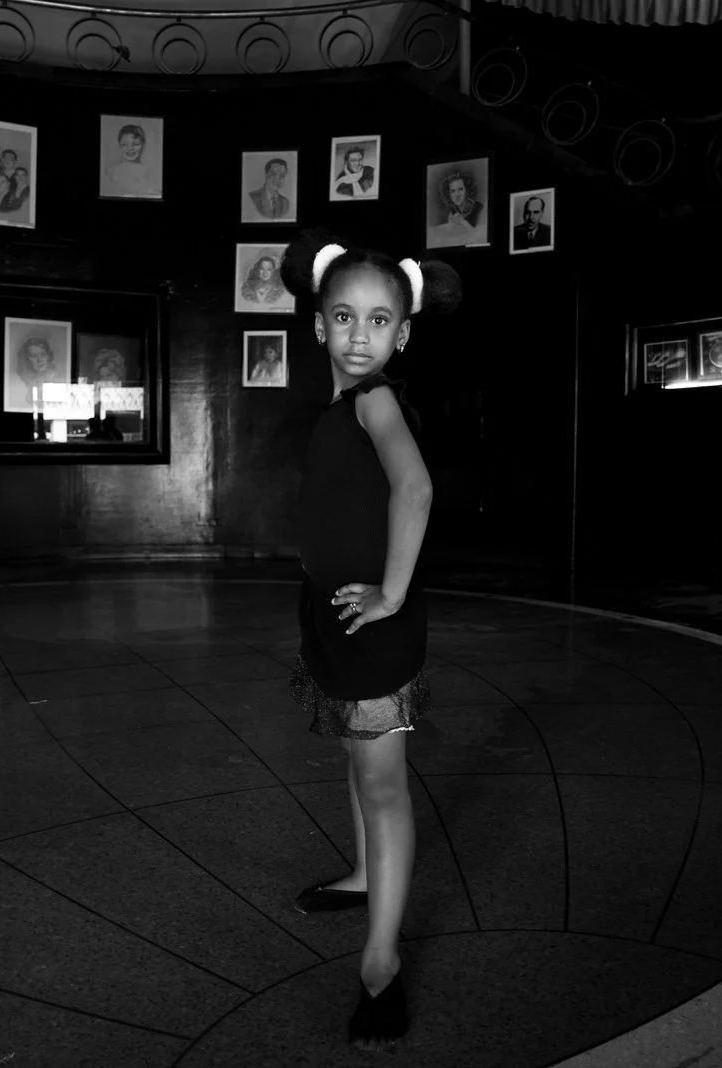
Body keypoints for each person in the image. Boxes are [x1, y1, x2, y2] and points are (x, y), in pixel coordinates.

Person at [278, 227, 462, 1050]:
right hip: (336, 615)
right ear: (318, 324)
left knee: (383, 783)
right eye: (345, 317)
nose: (361, 335)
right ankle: (361, 876)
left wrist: (390, 591)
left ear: (403, 332)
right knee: (357, 757)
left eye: (379, 320)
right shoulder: (337, 406)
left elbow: (414, 487)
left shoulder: (376, 398)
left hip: (370, 622)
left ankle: (381, 964)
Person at [104, 123, 158, 197]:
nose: (130, 148)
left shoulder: (148, 172)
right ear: (119, 146)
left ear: (143, 145)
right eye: (124, 145)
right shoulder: (111, 171)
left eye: (135, 144)